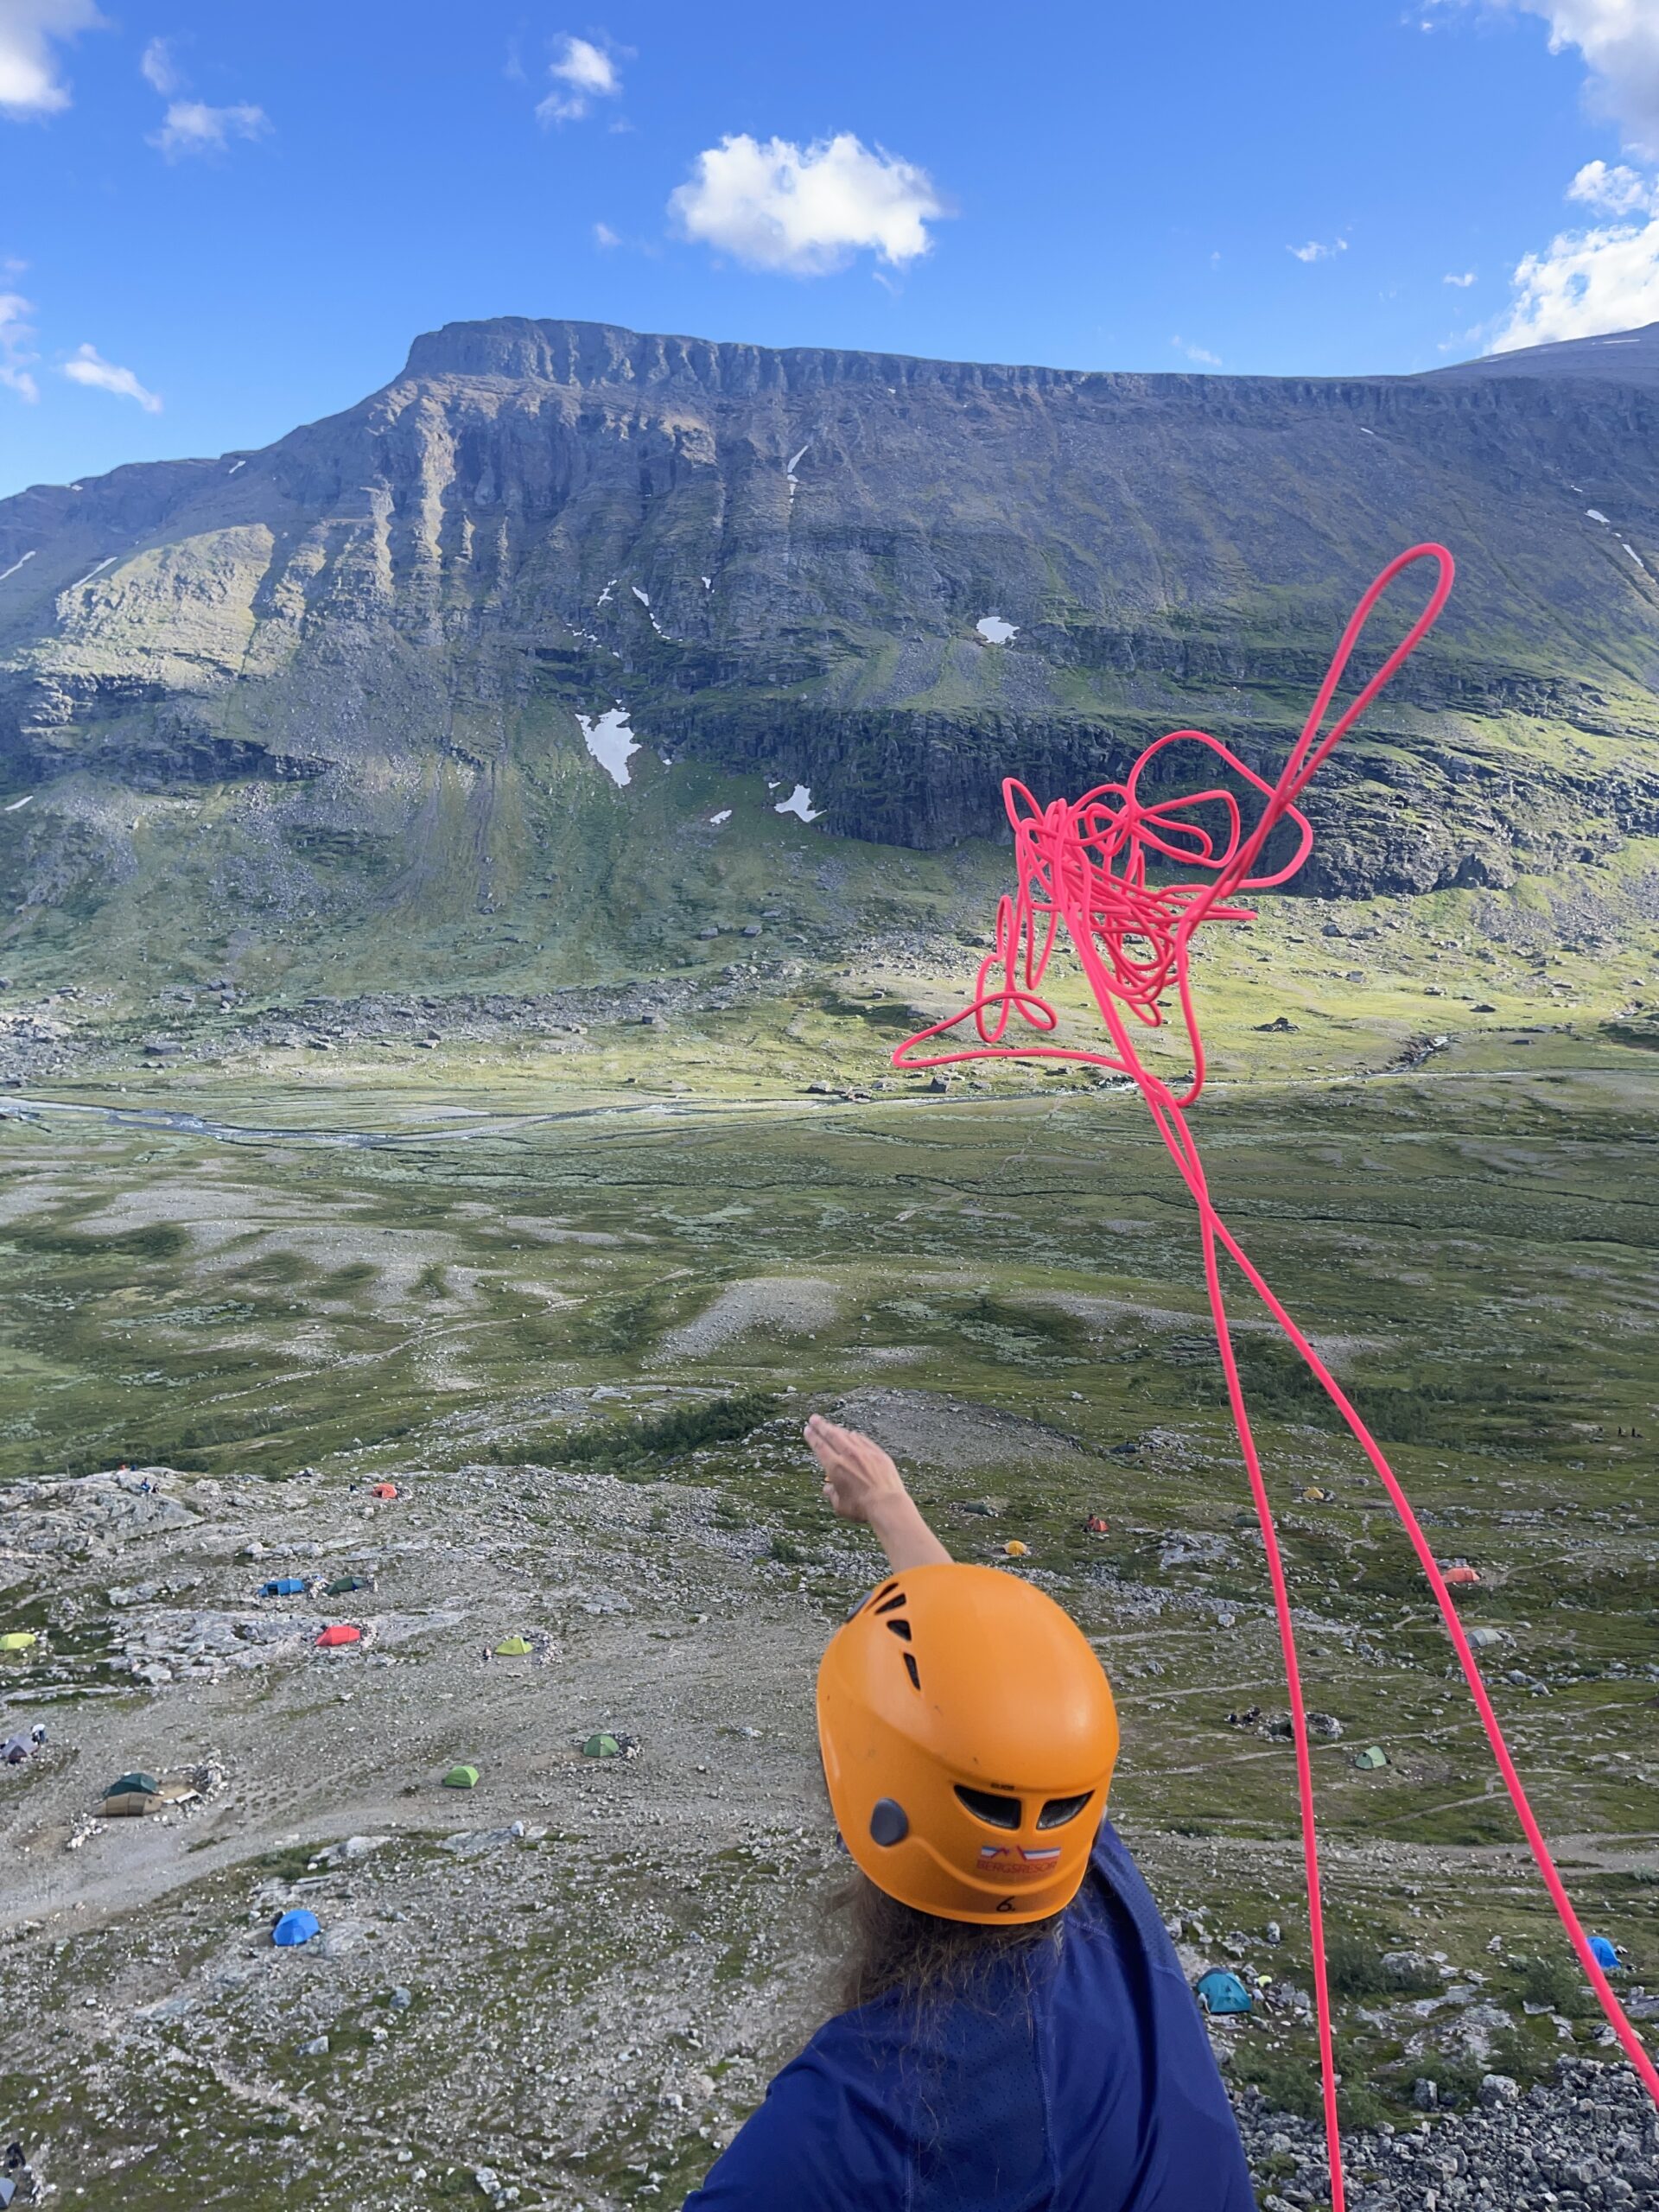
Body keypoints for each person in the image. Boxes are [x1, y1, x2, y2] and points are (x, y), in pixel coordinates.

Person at [683, 1415, 1255, 2211]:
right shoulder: (1092, 1880)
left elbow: (976, 1733)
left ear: (861, 1802)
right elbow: (993, 1713)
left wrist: (891, 1507)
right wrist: (889, 1508)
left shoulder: (846, 2126)